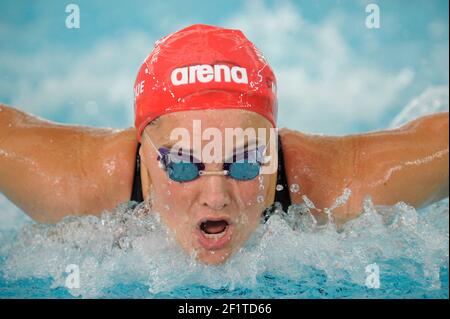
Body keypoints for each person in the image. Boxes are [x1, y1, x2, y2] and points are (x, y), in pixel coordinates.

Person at [0, 24, 448, 264]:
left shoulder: (335, 184)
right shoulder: (75, 183)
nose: (215, 198)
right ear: (143, 154)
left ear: (273, 151)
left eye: (245, 164)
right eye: (182, 167)